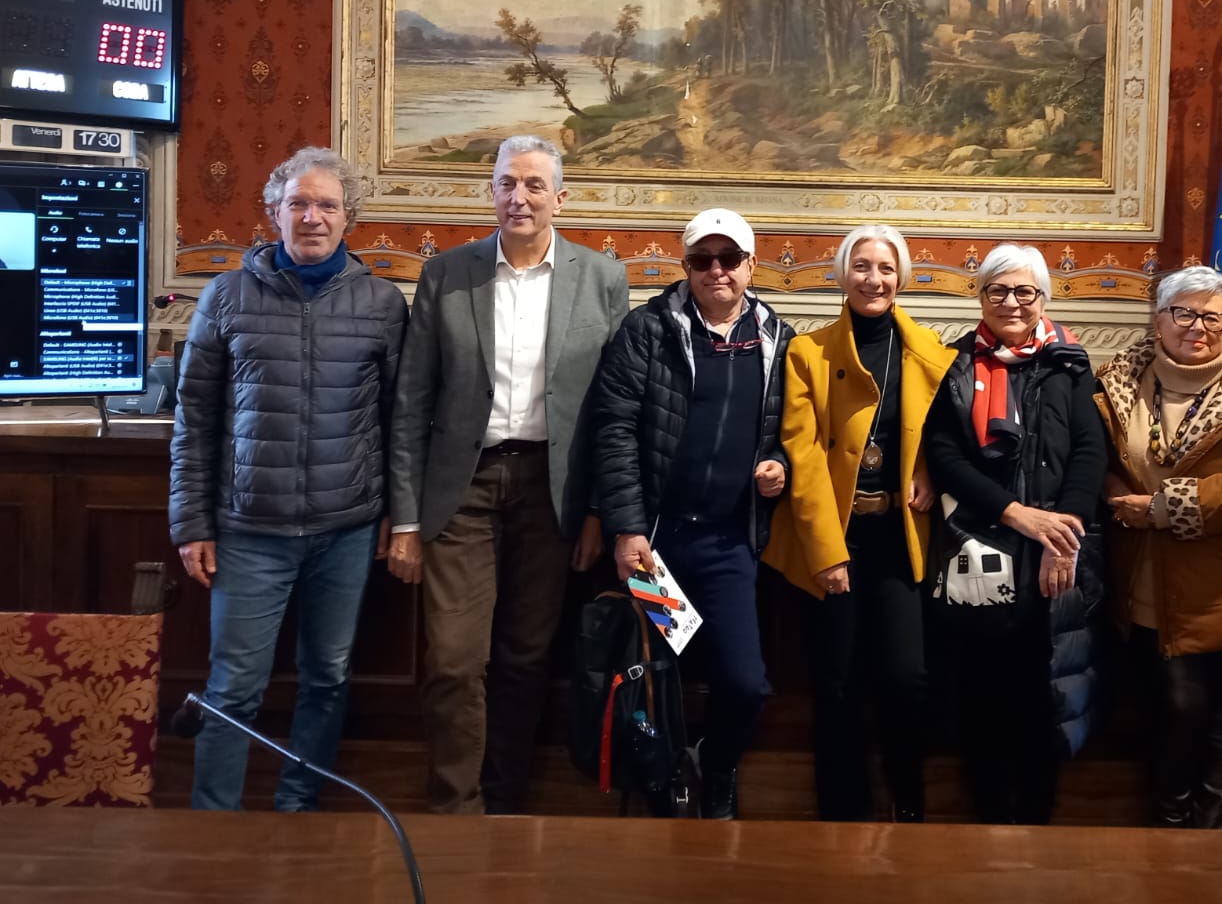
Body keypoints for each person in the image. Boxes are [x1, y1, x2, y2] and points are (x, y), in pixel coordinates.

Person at [387, 135, 629, 815]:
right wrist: (405, 518)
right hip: (461, 489)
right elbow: (411, 402)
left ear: (560, 197)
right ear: (491, 192)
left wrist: (597, 512)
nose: (518, 198)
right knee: (454, 660)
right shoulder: (447, 273)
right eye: (506, 184)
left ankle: (504, 802)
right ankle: (455, 809)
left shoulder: (601, 278)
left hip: (552, 491)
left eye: (533, 185)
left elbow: (615, 409)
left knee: (526, 656)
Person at [169, 146, 407, 811]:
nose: (311, 217)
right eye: (298, 203)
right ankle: (214, 821)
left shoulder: (383, 303)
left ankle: (297, 807)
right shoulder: (225, 296)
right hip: (249, 531)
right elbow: (194, 418)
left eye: (326, 204)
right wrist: (190, 524)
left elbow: (399, 420)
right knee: (234, 686)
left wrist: (399, 513)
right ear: (274, 211)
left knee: (327, 677)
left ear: (348, 216)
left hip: (347, 530)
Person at [593, 208, 792, 820]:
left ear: (751, 266)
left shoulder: (779, 338)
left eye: (729, 259)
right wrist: (627, 529)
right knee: (660, 675)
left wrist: (778, 464)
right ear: (685, 266)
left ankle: (717, 763)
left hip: (730, 544)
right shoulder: (647, 329)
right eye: (702, 259)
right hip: (658, 545)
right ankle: (664, 781)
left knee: (744, 682)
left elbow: (793, 430)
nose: (716, 270)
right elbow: (614, 429)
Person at [763, 224, 956, 823]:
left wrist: (929, 470)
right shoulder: (808, 353)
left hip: (900, 536)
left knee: (907, 679)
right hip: (833, 539)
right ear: (842, 275)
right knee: (837, 682)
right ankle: (840, 816)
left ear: (902, 277)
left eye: (887, 268)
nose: (875, 279)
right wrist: (827, 550)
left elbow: (947, 435)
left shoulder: (932, 351)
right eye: (862, 266)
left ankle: (908, 808)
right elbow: (803, 455)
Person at [1094, 265, 1222, 828]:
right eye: (1184, 313)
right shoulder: (1117, 379)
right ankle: (1171, 826)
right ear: (1159, 319)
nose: (1197, 327)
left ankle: (1205, 835)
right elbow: (1101, 458)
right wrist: (1111, 489)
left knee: (1217, 716)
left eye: (1213, 318)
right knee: (1165, 710)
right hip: (1144, 577)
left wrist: (1161, 508)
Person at [922, 244, 1108, 824]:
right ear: (980, 297)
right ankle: (987, 822)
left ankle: (1036, 824)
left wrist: (1062, 538)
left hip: (1055, 555)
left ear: (1042, 299)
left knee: (1042, 693)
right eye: (997, 290)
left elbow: (1089, 452)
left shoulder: (1069, 364)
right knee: (981, 695)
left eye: (1024, 291)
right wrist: (1016, 514)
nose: (1011, 302)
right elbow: (946, 458)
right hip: (980, 552)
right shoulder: (953, 364)